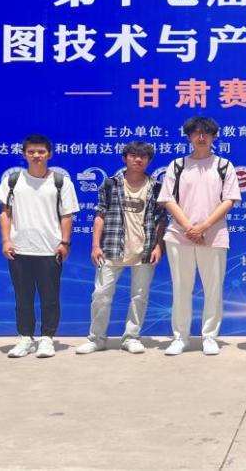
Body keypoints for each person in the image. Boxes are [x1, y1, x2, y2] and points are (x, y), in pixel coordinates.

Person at [158, 116, 242, 356]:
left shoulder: (224, 165)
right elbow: (167, 199)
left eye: (207, 133)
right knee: (181, 288)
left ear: (214, 136)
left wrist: (204, 226)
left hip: (214, 236)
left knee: (213, 289)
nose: (201, 137)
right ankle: (180, 337)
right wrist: (189, 227)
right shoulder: (177, 165)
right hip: (179, 236)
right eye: (196, 133)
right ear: (189, 137)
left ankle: (210, 336)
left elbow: (229, 200)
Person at [79, 141, 167, 355]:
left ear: (149, 161)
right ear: (124, 158)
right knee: (101, 295)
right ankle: (96, 338)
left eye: (143, 156)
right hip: (111, 248)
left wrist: (158, 246)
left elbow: (160, 220)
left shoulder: (156, 187)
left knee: (139, 297)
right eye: (133, 155)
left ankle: (131, 337)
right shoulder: (110, 184)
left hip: (144, 250)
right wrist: (95, 245)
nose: (138, 159)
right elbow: (100, 215)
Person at [0, 134, 79, 359]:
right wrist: (6, 240)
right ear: (24, 154)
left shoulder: (61, 181)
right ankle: (25, 338)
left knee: (50, 298)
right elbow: (5, 213)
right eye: (31, 152)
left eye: (41, 152)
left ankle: (47, 338)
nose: (36, 156)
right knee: (22, 298)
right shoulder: (13, 180)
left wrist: (64, 242)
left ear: (49, 154)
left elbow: (67, 215)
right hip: (19, 249)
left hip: (50, 250)